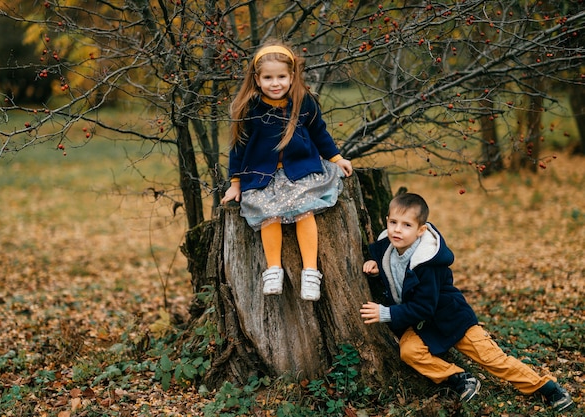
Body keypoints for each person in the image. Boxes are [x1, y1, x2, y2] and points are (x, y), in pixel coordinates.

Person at [359, 192, 573, 411]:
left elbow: (424, 305)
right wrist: (377, 269)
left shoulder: (427, 263)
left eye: (406, 225)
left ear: (420, 230)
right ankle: (459, 378)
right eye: (393, 222)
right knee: (409, 352)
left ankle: (548, 388)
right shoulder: (388, 251)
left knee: (491, 358)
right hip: (423, 324)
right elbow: (396, 276)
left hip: (452, 318)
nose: (397, 230)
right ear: (386, 220)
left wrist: (387, 313)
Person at [220, 40, 353, 301]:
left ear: (291, 76)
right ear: (257, 79)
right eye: (268, 77)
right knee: (269, 214)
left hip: (300, 171)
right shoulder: (250, 107)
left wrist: (336, 157)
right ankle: (273, 268)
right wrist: (235, 182)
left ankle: (311, 271)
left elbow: (319, 132)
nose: (275, 83)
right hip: (262, 176)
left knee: (305, 211)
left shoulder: (303, 102)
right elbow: (238, 147)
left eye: (281, 76)